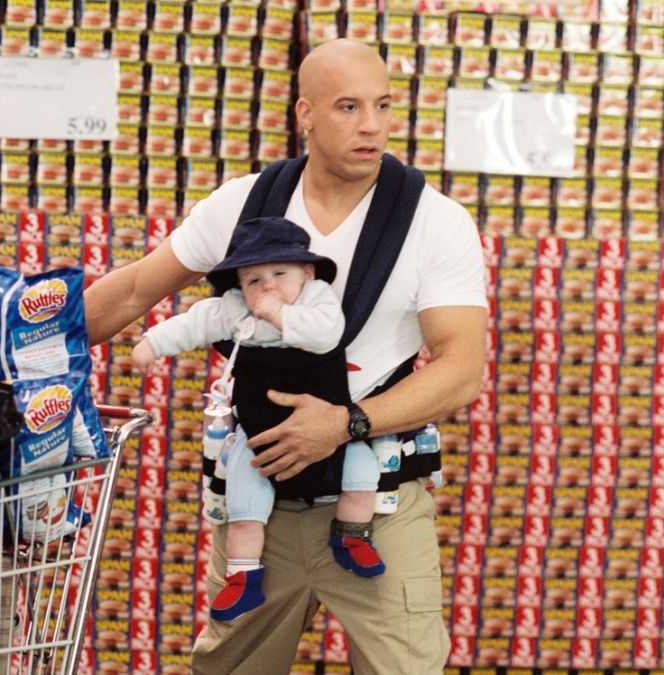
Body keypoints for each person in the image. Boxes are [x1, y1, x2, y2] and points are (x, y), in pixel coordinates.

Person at [84, 39, 486, 673]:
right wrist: (23, 341)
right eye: (349, 107)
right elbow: (134, 289)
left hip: (376, 507)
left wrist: (345, 424)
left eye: (383, 105)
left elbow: (462, 369)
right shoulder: (244, 206)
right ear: (305, 114)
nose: (373, 125)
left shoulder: (435, 222)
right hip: (256, 515)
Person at [131, 216, 399, 622]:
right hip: (259, 435)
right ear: (239, 283)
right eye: (254, 279)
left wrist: (279, 316)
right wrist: (152, 344)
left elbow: (327, 334)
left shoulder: (319, 301)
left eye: (279, 273)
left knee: (362, 475)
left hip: (330, 434)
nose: (267, 286)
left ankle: (351, 535)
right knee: (245, 506)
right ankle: (243, 578)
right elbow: (196, 322)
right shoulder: (235, 311)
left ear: (307, 273)